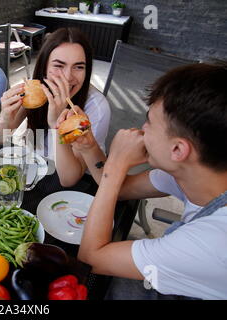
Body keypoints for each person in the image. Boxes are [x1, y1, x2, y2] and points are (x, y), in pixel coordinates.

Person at [59, 63, 227, 299]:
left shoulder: (213, 243)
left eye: (149, 121)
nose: (141, 128)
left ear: (178, 149)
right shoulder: (189, 172)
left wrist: (117, 164)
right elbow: (122, 189)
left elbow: (91, 258)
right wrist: (90, 148)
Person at [0, 27, 110, 186]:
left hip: (77, 188)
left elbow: (69, 179)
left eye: (79, 67)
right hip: (35, 175)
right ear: (44, 68)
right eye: (59, 65)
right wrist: (4, 119)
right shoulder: (36, 92)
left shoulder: (97, 108)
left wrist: (57, 125)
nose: (68, 77)